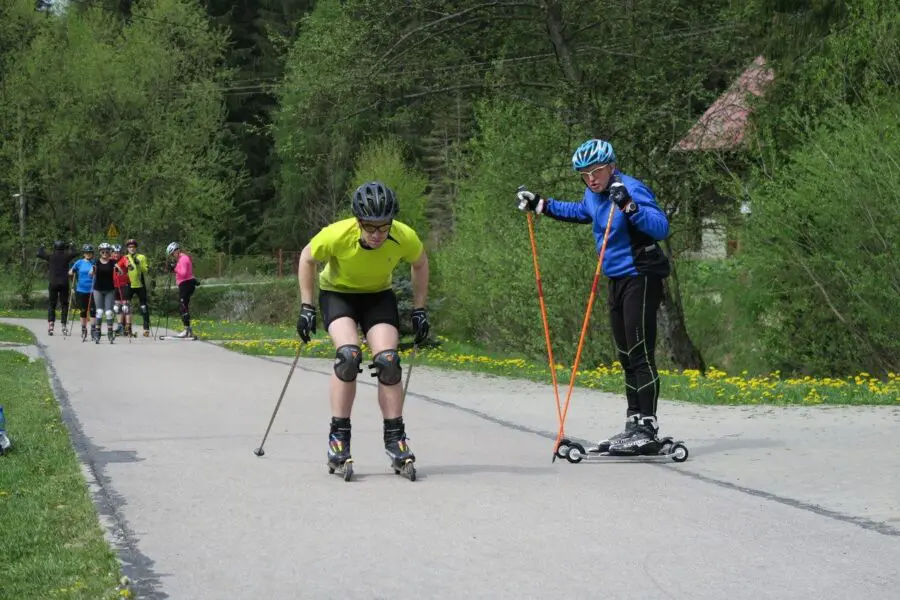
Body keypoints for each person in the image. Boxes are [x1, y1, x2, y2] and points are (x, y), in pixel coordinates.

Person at [516, 138, 671, 456]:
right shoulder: (593, 194)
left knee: (640, 352)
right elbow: (580, 211)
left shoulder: (631, 188)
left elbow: (661, 227)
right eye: (584, 174)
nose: (591, 179)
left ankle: (648, 428)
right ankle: (634, 422)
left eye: (596, 171)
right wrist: (541, 205)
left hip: (641, 275)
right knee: (625, 354)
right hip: (616, 279)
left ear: (611, 166)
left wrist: (629, 206)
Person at [296, 181, 431, 476]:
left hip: (377, 297)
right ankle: (338, 439)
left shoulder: (404, 236)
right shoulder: (336, 234)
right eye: (370, 227)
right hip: (337, 294)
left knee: (389, 361)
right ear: (358, 221)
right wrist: (307, 306)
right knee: (348, 356)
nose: (378, 235)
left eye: (384, 227)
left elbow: (420, 264)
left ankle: (396, 439)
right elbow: (307, 258)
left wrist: (419, 309)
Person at [37, 240, 78, 336]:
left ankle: (51, 325)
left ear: (54, 247)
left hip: (53, 283)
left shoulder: (51, 257)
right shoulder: (66, 256)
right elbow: (75, 253)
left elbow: (39, 253)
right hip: (64, 283)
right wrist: (72, 246)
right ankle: (63, 325)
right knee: (64, 304)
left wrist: (42, 247)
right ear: (63, 248)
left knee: (52, 304)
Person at [90, 242, 124, 343]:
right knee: (99, 311)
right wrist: (92, 271)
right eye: (103, 251)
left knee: (109, 312)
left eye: (107, 251)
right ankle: (97, 333)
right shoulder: (96, 262)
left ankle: (110, 333)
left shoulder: (112, 262)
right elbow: (90, 274)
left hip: (110, 289)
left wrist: (118, 269)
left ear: (109, 252)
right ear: (100, 252)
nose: (105, 253)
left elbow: (121, 272)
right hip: (98, 289)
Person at [119, 239, 151, 337]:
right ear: (127, 248)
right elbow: (119, 268)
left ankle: (146, 329)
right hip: (129, 285)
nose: (132, 249)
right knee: (125, 306)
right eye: (130, 247)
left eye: (133, 247)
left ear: (136, 248)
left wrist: (138, 264)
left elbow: (145, 270)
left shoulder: (141, 257)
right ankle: (125, 327)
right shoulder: (125, 257)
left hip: (140, 285)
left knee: (143, 306)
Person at [166, 242, 198, 339]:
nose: (172, 256)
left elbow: (183, 273)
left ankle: (187, 330)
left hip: (186, 283)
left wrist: (174, 268)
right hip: (185, 284)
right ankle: (188, 329)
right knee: (183, 306)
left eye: (172, 253)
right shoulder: (181, 258)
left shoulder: (183, 258)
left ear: (177, 250)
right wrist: (174, 268)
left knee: (183, 307)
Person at [69, 245, 96, 340]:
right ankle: (83, 329)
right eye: (87, 252)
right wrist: (71, 272)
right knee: (83, 310)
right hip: (81, 290)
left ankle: (93, 329)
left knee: (93, 310)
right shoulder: (79, 262)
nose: (88, 254)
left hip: (93, 290)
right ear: (84, 254)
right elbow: (71, 272)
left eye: (90, 252)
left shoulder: (95, 262)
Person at [110, 244, 131, 336]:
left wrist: (129, 266)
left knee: (126, 307)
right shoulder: (110, 260)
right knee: (117, 307)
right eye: (114, 253)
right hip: (113, 285)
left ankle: (128, 327)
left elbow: (127, 264)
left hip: (124, 285)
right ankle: (120, 327)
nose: (116, 255)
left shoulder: (124, 259)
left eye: (118, 253)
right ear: (112, 253)